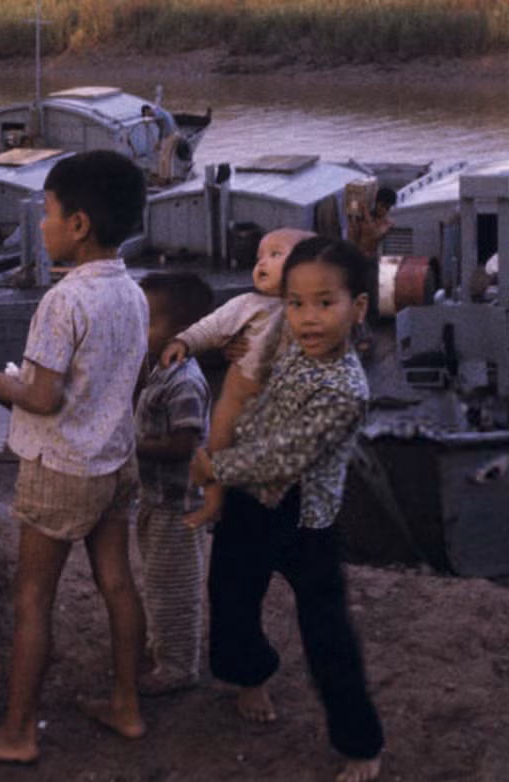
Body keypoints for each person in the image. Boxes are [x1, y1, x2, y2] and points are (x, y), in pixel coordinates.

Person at [0, 150, 149, 764]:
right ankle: (127, 706)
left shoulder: (62, 302)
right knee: (117, 582)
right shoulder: (134, 293)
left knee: (33, 599)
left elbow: (41, 393)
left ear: (79, 225)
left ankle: (17, 733)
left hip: (62, 468)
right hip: (115, 460)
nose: (41, 225)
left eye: (49, 213)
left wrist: (2, 385)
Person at [190, 236, 384, 782]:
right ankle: (250, 674)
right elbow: (247, 382)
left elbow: (285, 457)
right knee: (230, 590)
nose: (308, 317)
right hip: (251, 499)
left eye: (327, 303)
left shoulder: (346, 389)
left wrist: (214, 469)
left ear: (358, 308)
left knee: (326, 630)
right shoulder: (283, 333)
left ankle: (359, 741)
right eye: (296, 303)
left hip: (304, 513)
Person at [161, 227, 314, 529]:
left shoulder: (310, 311)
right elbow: (211, 327)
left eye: (275, 255)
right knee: (217, 446)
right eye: (259, 257)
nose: (262, 263)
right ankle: (213, 503)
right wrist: (184, 342)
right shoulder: (247, 305)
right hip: (237, 398)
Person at [134, 272, 214, 695]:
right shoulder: (160, 372)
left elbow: (184, 443)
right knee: (156, 579)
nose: (137, 330)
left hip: (178, 504)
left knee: (175, 586)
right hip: (155, 499)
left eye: (147, 322)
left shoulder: (184, 381)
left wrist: (134, 448)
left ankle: (178, 666)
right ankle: (161, 646)